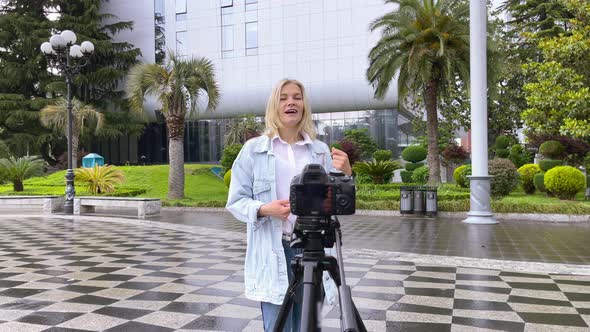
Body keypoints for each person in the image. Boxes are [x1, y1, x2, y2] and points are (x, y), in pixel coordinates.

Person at [226, 79, 352, 332]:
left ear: (304, 105)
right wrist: (264, 209)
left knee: (308, 325)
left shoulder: (320, 150)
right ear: (275, 105)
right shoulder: (254, 150)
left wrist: (346, 175)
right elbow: (236, 202)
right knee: (278, 326)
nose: (291, 102)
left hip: (312, 247)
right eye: (283, 97)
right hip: (273, 247)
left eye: (297, 97)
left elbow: (336, 202)